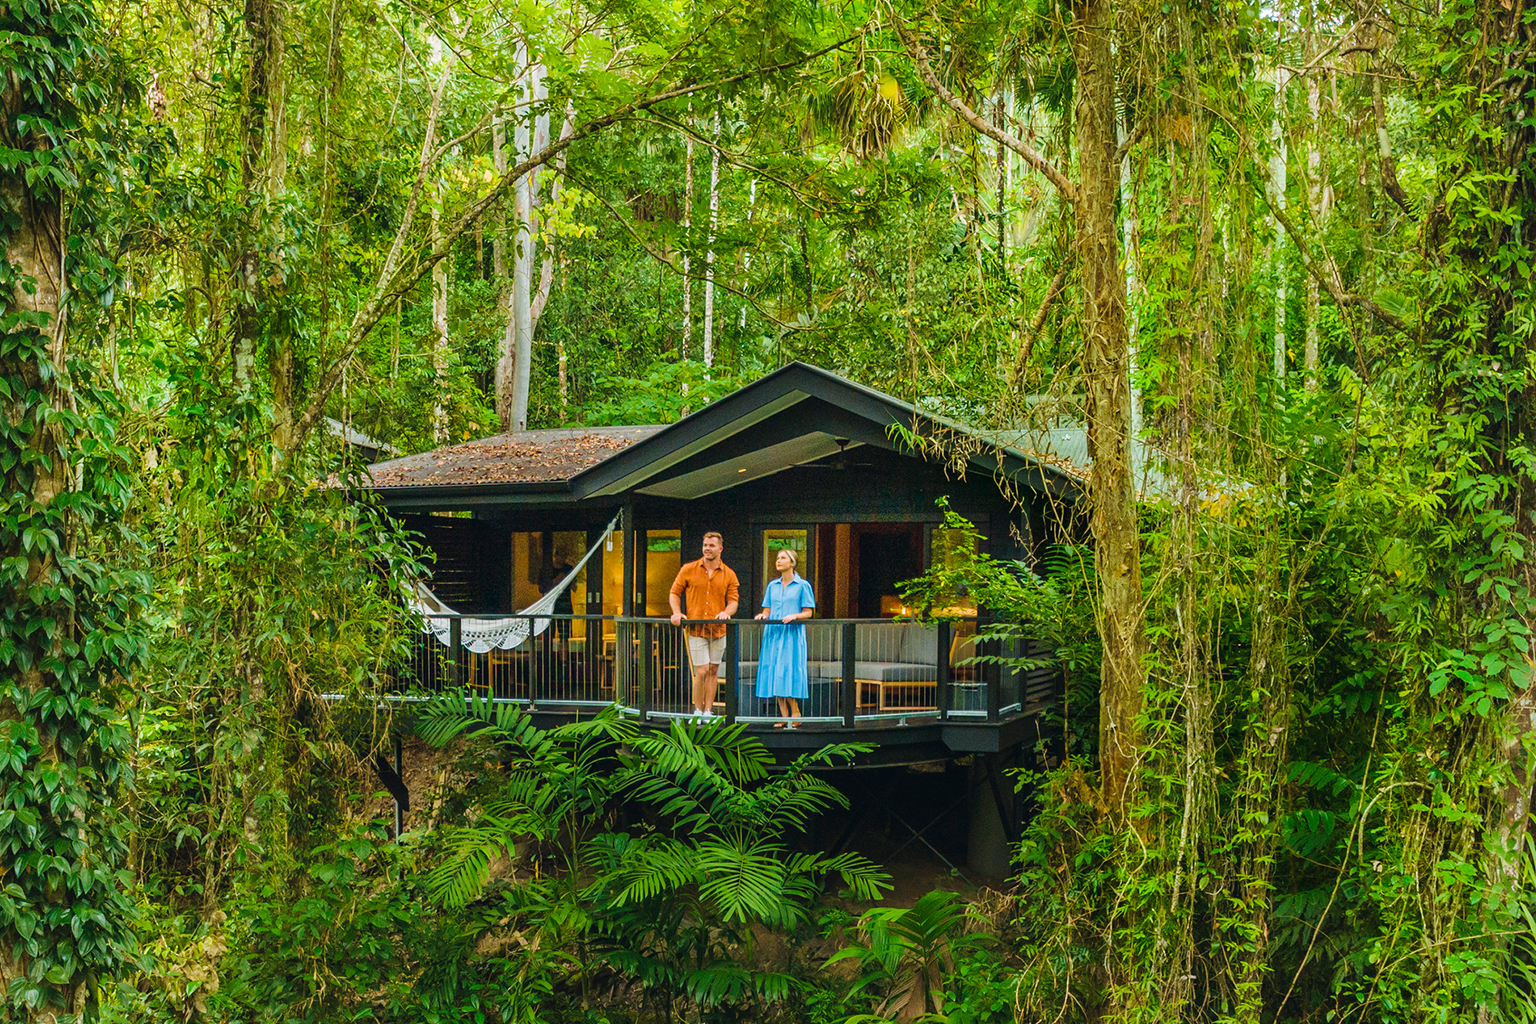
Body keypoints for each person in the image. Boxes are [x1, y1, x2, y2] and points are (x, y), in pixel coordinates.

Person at [668, 532, 739, 717]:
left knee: (713, 670)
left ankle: (708, 711)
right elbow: (674, 593)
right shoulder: (688, 569)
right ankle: (697, 711)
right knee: (701, 670)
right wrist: (676, 612)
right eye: (705, 545)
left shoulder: (729, 574)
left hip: (719, 630)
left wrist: (726, 612)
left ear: (720, 549)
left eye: (711, 545)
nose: (707, 548)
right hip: (696, 628)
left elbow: (733, 601)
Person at [754, 548, 815, 728]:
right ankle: (784, 715)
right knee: (774, 672)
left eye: (783, 558)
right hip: (773, 634)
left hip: (791, 635)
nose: (778, 561)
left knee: (786, 672)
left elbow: (808, 612)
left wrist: (794, 616)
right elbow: (767, 608)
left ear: (792, 563)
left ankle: (795, 711)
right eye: (777, 558)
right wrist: (763, 615)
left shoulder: (802, 585)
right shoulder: (772, 586)